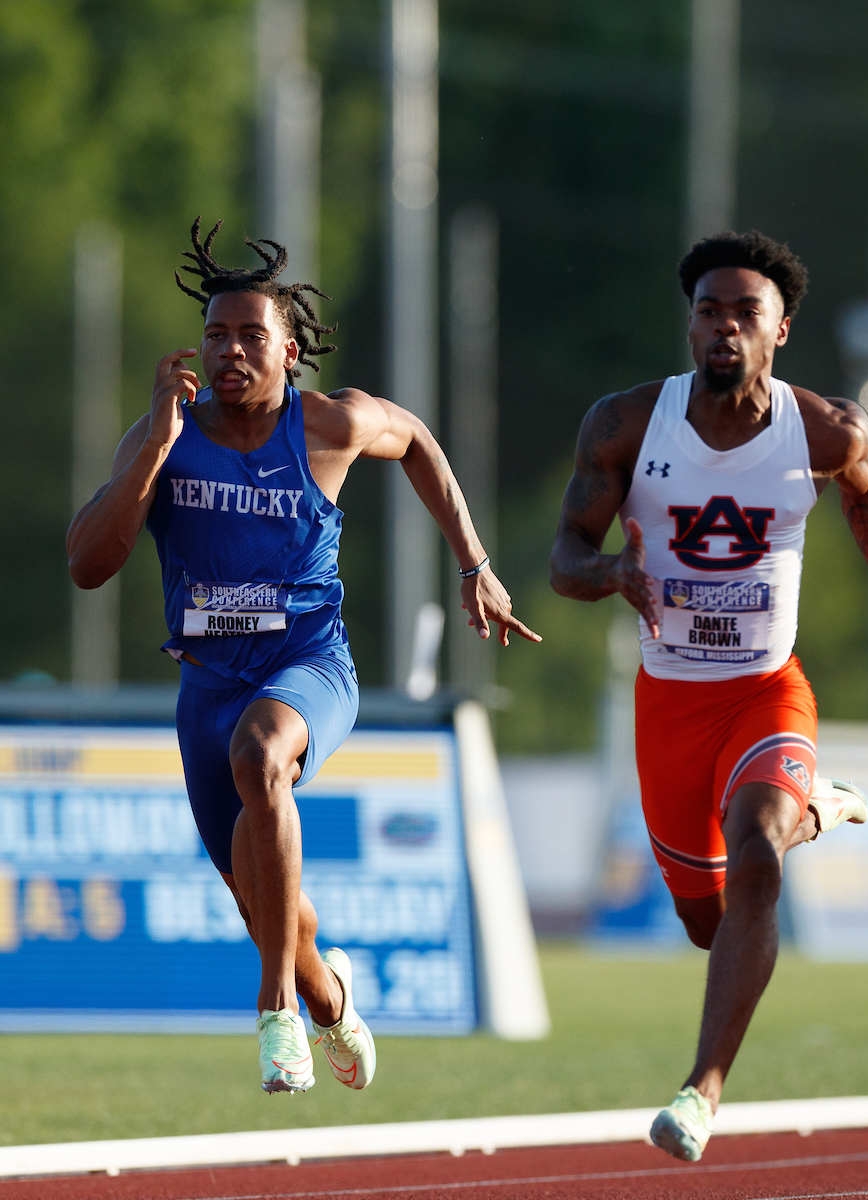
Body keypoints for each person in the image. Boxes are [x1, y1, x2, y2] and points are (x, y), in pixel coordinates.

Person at [67, 218, 540, 1095]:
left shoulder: (330, 424)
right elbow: (87, 567)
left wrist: (475, 563)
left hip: (308, 668)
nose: (231, 351)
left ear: (291, 350)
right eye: (216, 336)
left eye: (252, 335)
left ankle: (275, 1010)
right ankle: (326, 998)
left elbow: (423, 445)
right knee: (265, 908)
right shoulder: (163, 438)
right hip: (204, 689)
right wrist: (154, 449)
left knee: (262, 758)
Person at [549, 230, 868, 1162]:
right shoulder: (623, 424)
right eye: (708, 311)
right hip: (671, 704)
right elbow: (563, 558)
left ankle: (701, 1091)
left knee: (760, 857)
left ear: (782, 331)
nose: (724, 326)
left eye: (745, 312)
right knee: (709, 919)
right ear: (689, 327)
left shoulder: (824, 428)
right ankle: (827, 804)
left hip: (767, 689)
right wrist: (611, 572)